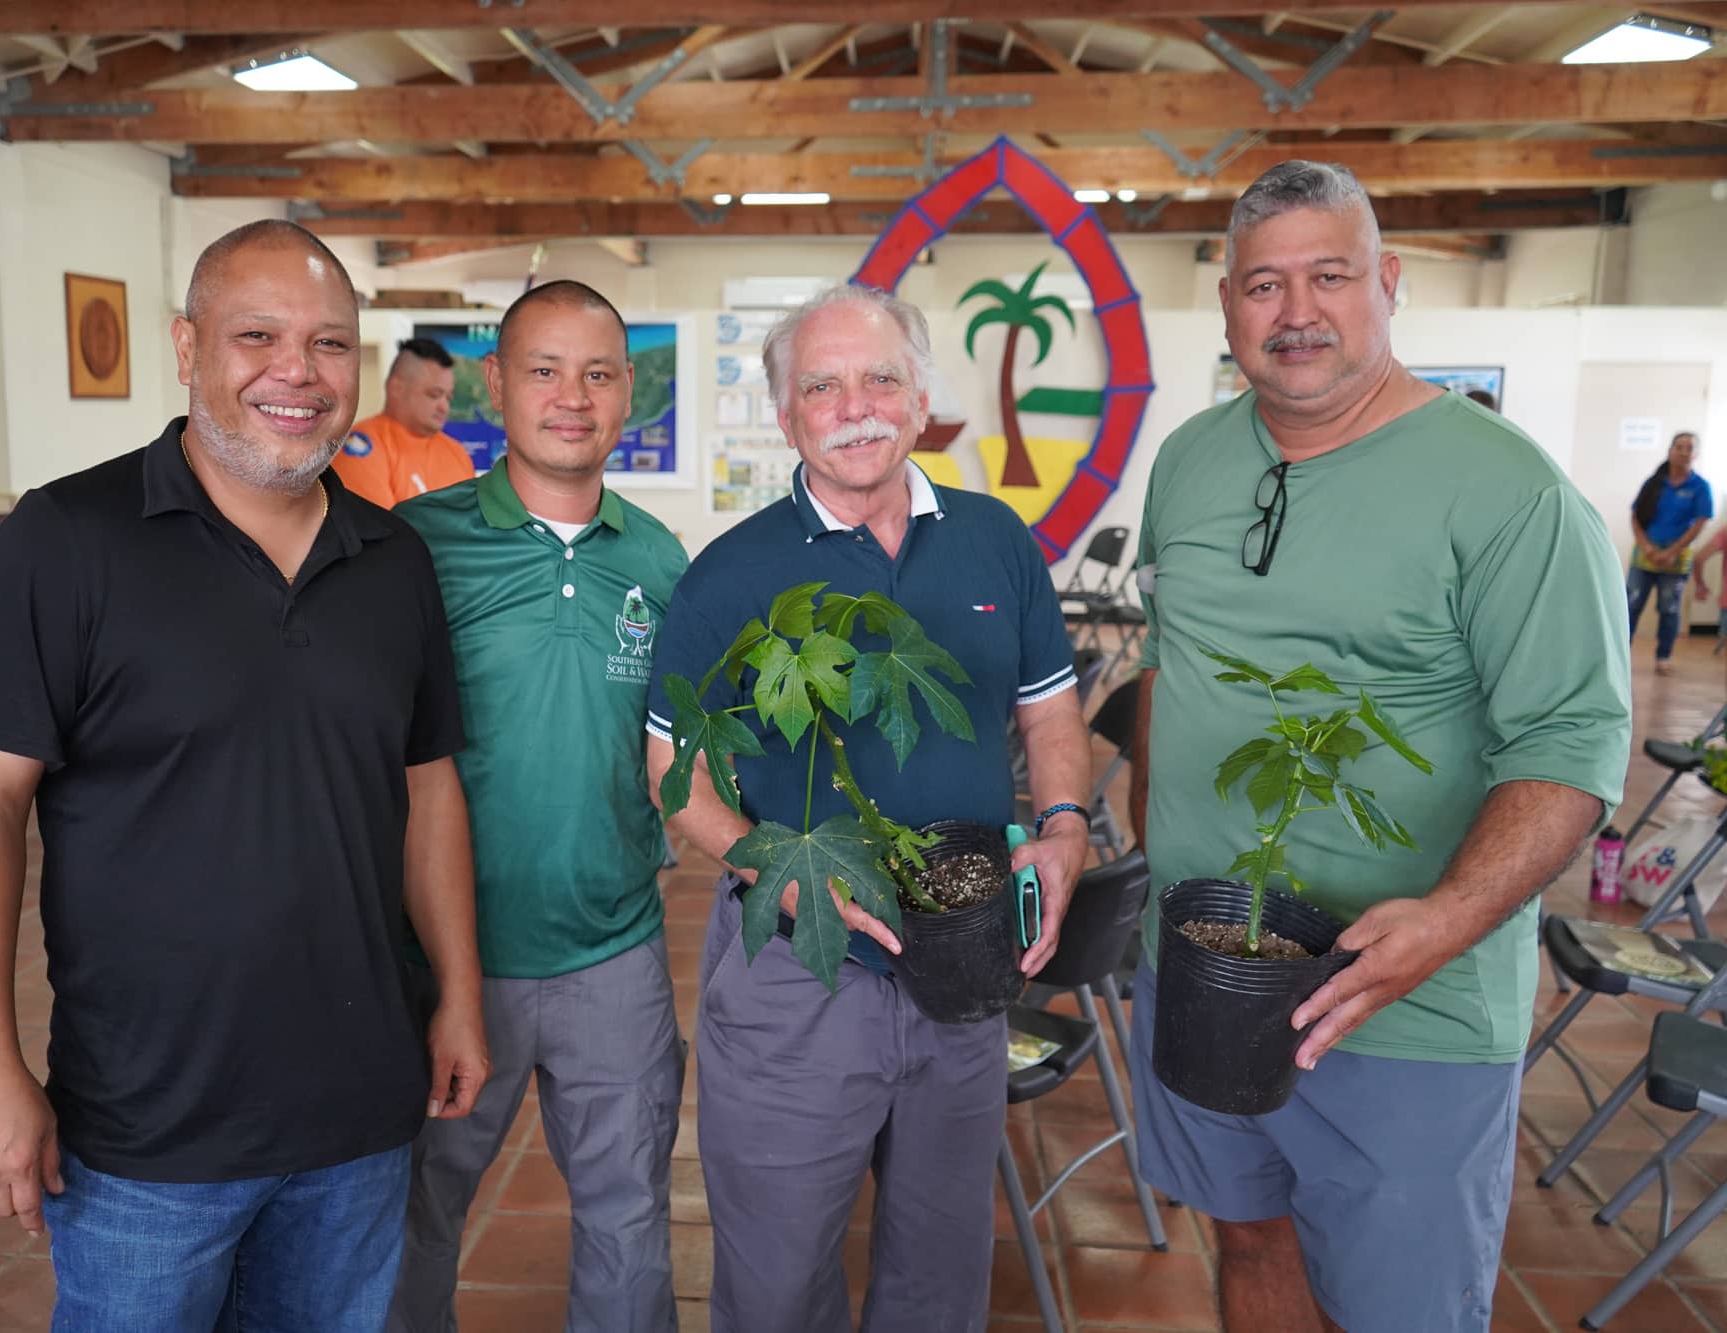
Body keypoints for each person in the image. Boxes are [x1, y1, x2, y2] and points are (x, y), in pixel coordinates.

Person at [0, 220, 489, 1332]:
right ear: (186, 347)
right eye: (257, 335)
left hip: (360, 1114)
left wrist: (458, 995)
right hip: (147, 1130)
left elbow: (427, 789)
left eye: (329, 343)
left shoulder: (393, 560)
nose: (296, 371)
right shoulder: (65, 540)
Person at [1124, 160, 1631, 1333]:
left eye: (1328, 276)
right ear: (1226, 306)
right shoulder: (1190, 462)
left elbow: (1570, 742)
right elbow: (1169, 660)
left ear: (1388, 285)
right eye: (1262, 284)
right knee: (1246, 1234)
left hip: (1401, 1001)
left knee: (1398, 1304)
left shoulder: (1506, 494)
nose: (1294, 311)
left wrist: (1446, 920)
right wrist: (1151, 839)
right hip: (1202, 962)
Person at [644, 284, 1092, 1333]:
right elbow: (674, 776)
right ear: (784, 412)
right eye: (821, 385)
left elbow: (1051, 712)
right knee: (775, 1273)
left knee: (939, 1271)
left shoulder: (994, 541)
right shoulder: (731, 575)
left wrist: (1065, 824)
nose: (855, 405)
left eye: (880, 377)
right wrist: (780, 870)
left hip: (966, 958)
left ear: (922, 395)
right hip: (798, 971)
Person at [389, 281, 688, 1333]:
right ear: (494, 386)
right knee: (411, 1217)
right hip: (445, 958)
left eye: (598, 373)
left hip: (615, 953)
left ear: (627, 395)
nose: (573, 396)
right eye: (544, 370)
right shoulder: (409, 549)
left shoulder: (658, 560)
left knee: (626, 1220)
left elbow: (674, 760)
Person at [331, 337, 476, 508]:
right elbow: (379, 527)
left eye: (448, 397)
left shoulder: (458, 454)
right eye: (434, 394)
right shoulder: (364, 445)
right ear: (396, 388)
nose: (444, 406)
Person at [1627, 430, 1710, 674]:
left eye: (1689, 448)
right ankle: (1621, 654)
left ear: (1696, 455)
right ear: (1670, 450)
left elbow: (1700, 523)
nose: (1684, 452)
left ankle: (1663, 657)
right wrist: (1646, 546)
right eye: (1679, 447)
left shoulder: (1700, 487)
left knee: (1669, 608)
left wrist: (1672, 551)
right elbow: (1635, 515)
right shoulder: (1654, 483)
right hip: (1644, 555)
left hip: (1676, 558)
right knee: (1630, 606)